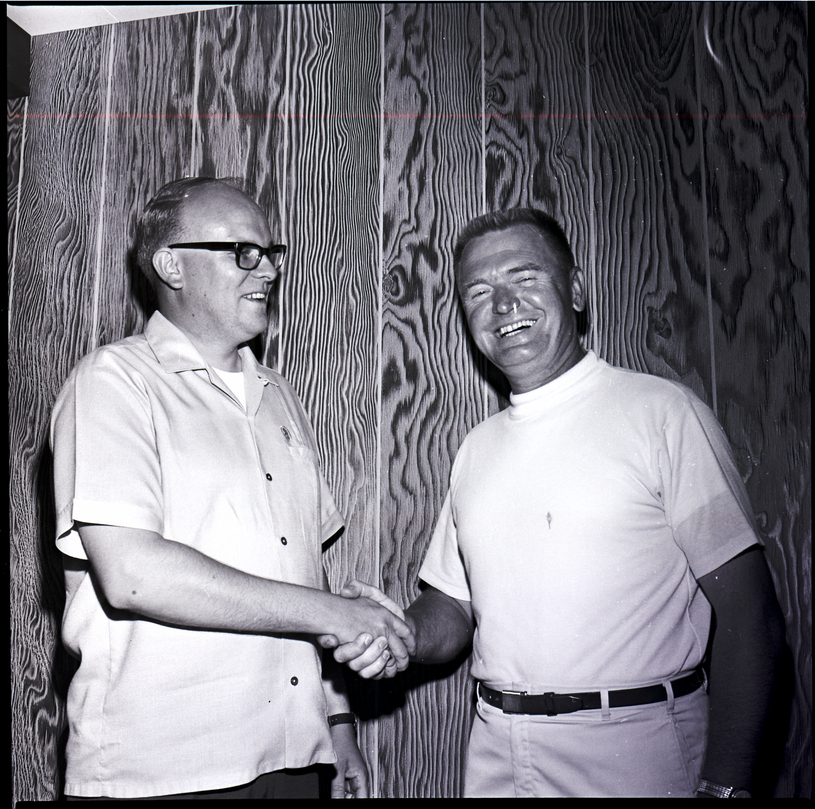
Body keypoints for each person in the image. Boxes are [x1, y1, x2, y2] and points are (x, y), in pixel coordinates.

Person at [323, 208, 786, 798]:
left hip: (635, 749)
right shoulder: (476, 448)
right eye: (479, 292)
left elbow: (752, 617)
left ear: (577, 290)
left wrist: (726, 789)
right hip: (496, 751)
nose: (503, 304)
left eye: (525, 277)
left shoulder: (662, 415)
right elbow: (454, 606)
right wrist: (404, 632)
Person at [50, 177, 414, 800]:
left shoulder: (280, 396)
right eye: (243, 252)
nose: (267, 269)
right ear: (171, 265)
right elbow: (134, 574)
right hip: (162, 772)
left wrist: (338, 723)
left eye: (270, 253)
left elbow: (302, 571)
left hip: (294, 758)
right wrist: (339, 615)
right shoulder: (113, 381)